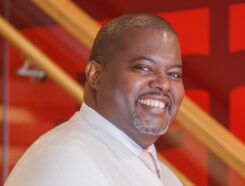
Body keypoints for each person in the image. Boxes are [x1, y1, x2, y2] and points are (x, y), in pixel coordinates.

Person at [5, 12, 185, 186]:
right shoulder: (68, 161)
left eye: (174, 74)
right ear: (95, 75)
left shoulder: (161, 173)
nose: (165, 84)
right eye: (145, 68)